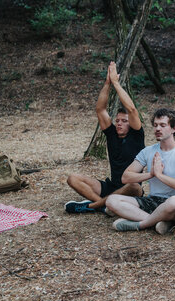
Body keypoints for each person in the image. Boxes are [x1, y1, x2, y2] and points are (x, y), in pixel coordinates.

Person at [65, 61, 145, 214]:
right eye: (118, 121)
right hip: (111, 187)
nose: (119, 124)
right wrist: (108, 83)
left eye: (124, 121)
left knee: (135, 186)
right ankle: (102, 206)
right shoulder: (112, 133)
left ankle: (90, 207)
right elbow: (100, 109)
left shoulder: (137, 136)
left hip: (130, 190)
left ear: (132, 123)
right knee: (72, 178)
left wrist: (116, 83)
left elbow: (132, 108)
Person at [105, 108, 175, 235]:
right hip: (152, 201)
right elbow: (125, 177)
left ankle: (141, 224)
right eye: (155, 125)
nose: (158, 129)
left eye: (163, 125)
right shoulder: (148, 151)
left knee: (174, 202)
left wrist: (159, 175)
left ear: (173, 129)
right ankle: (158, 222)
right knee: (111, 200)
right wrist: (150, 174)